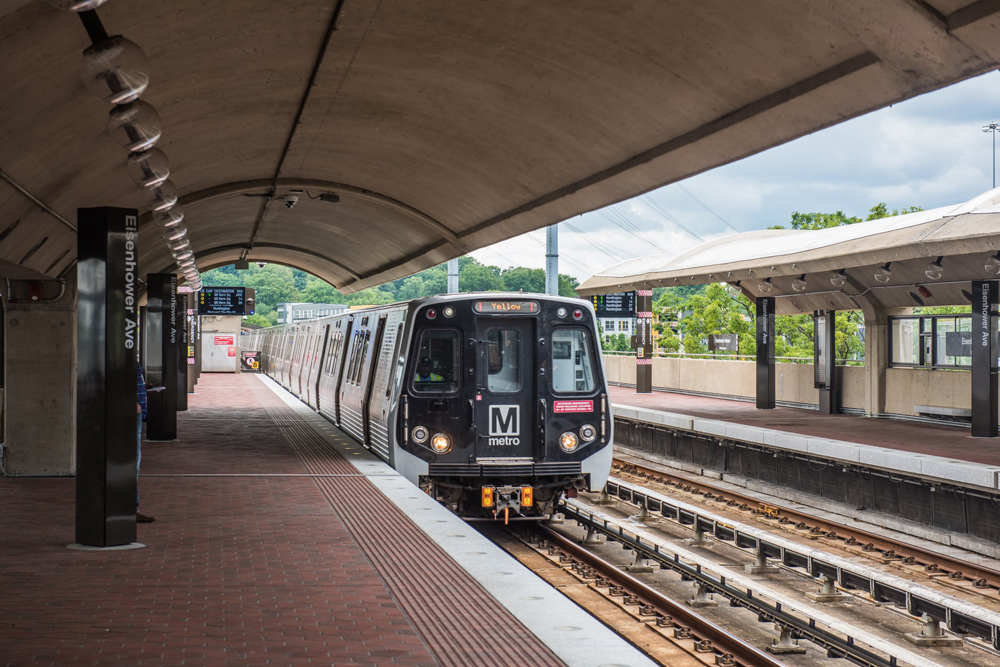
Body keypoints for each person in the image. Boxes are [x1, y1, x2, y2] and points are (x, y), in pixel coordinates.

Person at [136, 363, 155, 523]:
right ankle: (130, 507)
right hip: (132, 412)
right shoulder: (121, 357)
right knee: (132, 462)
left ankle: (131, 506)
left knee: (134, 462)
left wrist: (143, 386)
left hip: (137, 412)